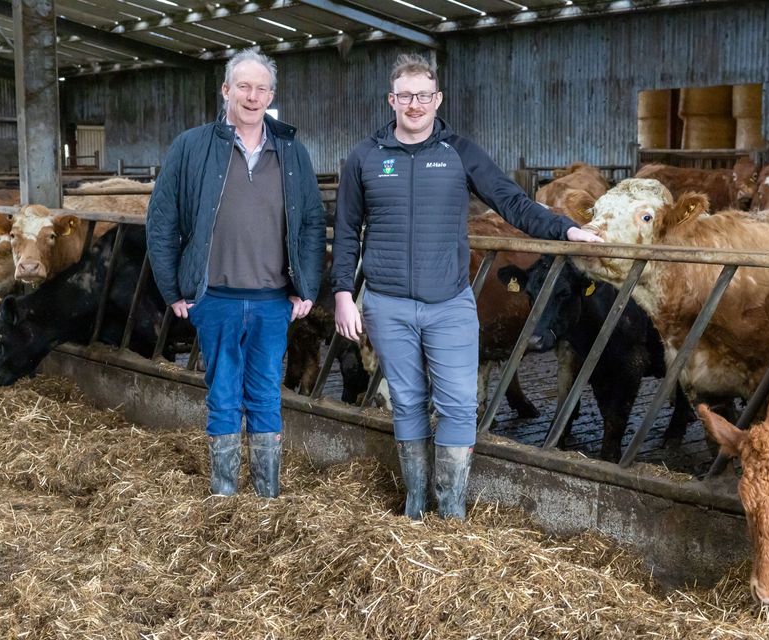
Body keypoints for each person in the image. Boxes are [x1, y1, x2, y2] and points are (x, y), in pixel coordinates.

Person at [331, 53, 603, 520]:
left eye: (423, 95)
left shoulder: (460, 150)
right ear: (391, 99)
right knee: (408, 401)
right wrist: (341, 293)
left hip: (450, 303)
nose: (414, 104)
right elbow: (346, 225)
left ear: (437, 99)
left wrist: (565, 230)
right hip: (387, 304)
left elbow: (510, 200)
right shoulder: (364, 157)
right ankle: (417, 504)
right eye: (405, 96)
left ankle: (452, 510)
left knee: (457, 403)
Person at [146, 48, 326, 498]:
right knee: (222, 394)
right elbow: (163, 218)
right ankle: (224, 496)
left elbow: (311, 222)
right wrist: (173, 289)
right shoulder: (191, 146)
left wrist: (307, 285)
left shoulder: (291, 150)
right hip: (215, 298)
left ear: (271, 95)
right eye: (243, 86)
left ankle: (266, 499)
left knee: (266, 392)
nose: (252, 95)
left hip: (272, 299)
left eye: (261, 88)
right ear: (226, 90)